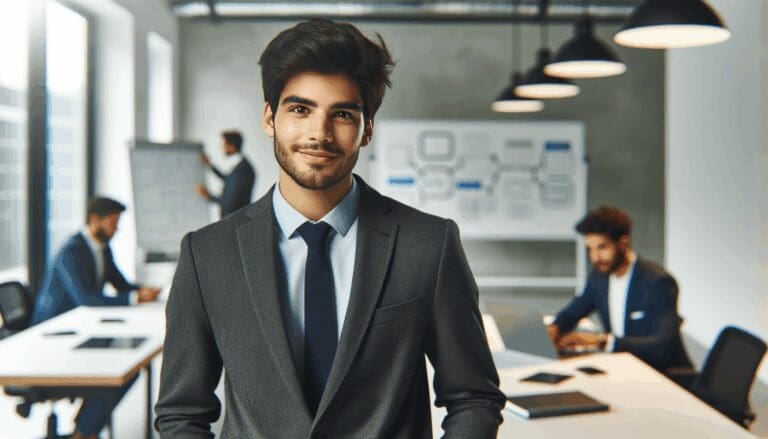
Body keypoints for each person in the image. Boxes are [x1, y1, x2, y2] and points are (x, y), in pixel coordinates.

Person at [156, 18, 505, 438]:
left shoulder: (428, 244)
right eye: (300, 109)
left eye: (341, 114)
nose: (318, 134)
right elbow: (181, 413)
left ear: (367, 130)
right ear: (270, 118)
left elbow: (473, 398)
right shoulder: (207, 254)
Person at [31, 197, 161, 439]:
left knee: (127, 368)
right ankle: (84, 434)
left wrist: (142, 291)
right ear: (94, 220)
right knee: (116, 373)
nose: (116, 229)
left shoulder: (102, 248)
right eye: (112, 223)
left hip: (84, 331)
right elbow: (88, 300)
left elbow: (121, 284)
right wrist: (134, 298)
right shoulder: (72, 251)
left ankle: (83, 432)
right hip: (56, 340)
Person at [547, 206, 692, 373]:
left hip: (666, 375)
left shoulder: (658, 282)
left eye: (602, 247)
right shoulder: (599, 277)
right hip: (625, 371)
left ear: (624, 242)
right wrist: (555, 328)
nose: (595, 257)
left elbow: (662, 347)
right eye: (590, 249)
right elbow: (574, 311)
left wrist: (600, 341)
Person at [196, 130, 256, 218]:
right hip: (233, 219)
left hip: (235, 221)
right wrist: (209, 165)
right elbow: (228, 179)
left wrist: (208, 196)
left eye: (223, 144)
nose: (221, 147)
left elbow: (230, 202)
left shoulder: (243, 170)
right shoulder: (242, 166)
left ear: (231, 146)